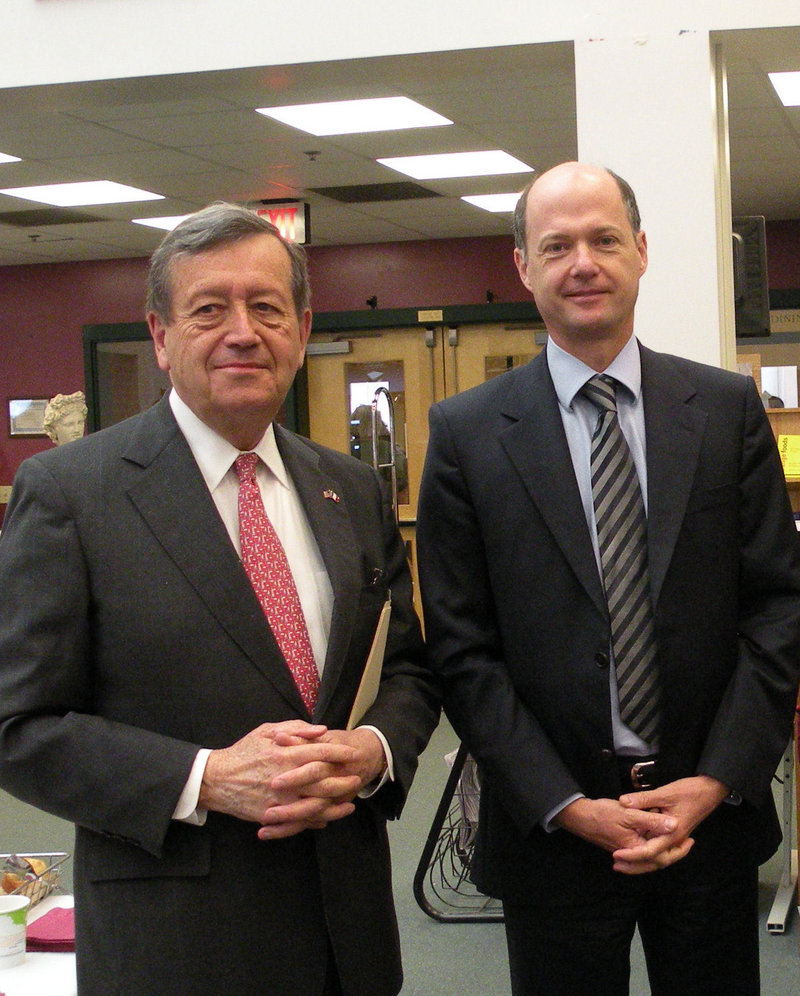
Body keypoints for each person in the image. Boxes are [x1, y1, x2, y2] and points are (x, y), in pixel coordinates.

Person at [0, 203, 440, 996]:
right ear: (162, 338)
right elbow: (19, 726)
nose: (243, 331)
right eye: (209, 309)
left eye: (267, 307)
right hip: (175, 943)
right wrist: (205, 777)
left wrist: (373, 752)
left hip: (349, 935)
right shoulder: (70, 493)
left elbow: (408, 668)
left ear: (301, 332)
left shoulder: (351, 489)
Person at [416, 162, 800, 995]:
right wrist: (563, 803)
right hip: (554, 833)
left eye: (603, 240)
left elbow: (777, 606)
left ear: (642, 252)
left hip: (709, 823)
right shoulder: (466, 434)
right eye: (555, 245)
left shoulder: (727, 410)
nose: (581, 262)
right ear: (523, 265)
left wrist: (719, 778)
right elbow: (460, 643)